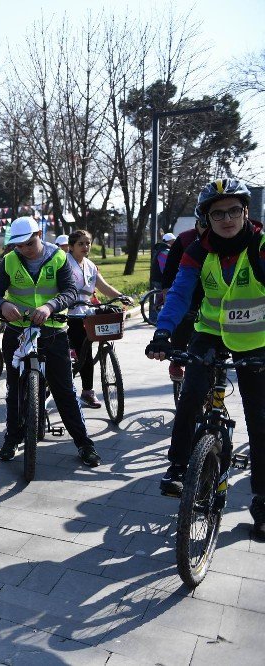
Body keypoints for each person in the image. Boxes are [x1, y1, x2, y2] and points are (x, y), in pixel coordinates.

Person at [145, 179, 265, 531]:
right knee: (190, 395)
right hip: (210, 333)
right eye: (217, 213)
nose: (226, 218)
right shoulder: (198, 251)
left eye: (233, 210)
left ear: (245, 212)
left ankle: (261, 499)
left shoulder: (259, 247)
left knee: (259, 418)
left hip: (256, 341)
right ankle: (179, 468)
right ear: (207, 218)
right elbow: (180, 292)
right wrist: (163, 332)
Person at [0, 216, 102, 468]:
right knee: (15, 390)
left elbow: (70, 292)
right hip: (18, 332)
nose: (24, 249)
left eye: (28, 243)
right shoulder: (9, 260)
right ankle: (12, 438)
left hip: (53, 332)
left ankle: (83, 443)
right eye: (19, 245)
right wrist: (2, 304)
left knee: (65, 391)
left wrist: (50, 307)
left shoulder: (58, 258)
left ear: (40, 234)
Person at [64, 230, 134, 408]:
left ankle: (87, 392)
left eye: (87, 243)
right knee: (78, 355)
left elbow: (103, 286)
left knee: (86, 354)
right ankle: (70, 389)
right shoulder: (63, 263)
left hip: (87, 313)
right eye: (81, 243)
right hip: (68, 313)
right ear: (71, 246)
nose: (86, 247)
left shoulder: (90, 265)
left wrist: (122, 296)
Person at [160, 224, 207, 382]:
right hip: (188, 292)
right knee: (182, 319)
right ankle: (177, 360)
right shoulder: (186, 239)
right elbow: (170, 271)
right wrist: (168, 297)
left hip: (215, 298)